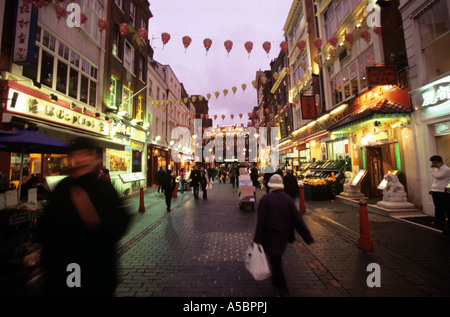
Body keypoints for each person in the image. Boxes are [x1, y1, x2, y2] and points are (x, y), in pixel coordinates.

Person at [41, 137, 131, 296]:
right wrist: (45, 262)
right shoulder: (63, 188)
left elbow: (121, 223)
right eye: (75, 155)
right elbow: (48, 227)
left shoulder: (103, 188)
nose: (79, 159)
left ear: (93, 159)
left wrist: (95, 220)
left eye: (85, 154)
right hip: (66, 267)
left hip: (96, 269)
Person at [253, 174, 314, 297]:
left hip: (269, 236)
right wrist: (307, 236)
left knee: (276, 262)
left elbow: (261, 222)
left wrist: (256, 240)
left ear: (269, 186)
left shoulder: (265, 199)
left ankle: (282, 289)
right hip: (283, 237)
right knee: (276, 260)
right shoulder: (288, 199)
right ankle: (276, 283)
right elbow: (298, 220)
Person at [429, 155, 450, 234]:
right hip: (436, 190)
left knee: (445, 207)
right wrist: (432, 189)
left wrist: (431, 169)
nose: (434, 165)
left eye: (435, 163)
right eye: (433, 163)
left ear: (441, 162)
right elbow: (436, 180)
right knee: (437, 207)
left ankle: (446, 223)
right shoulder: (436, 169)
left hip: (443, 191)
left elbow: (438, 177)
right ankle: (439, 222)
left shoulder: (447, 170)